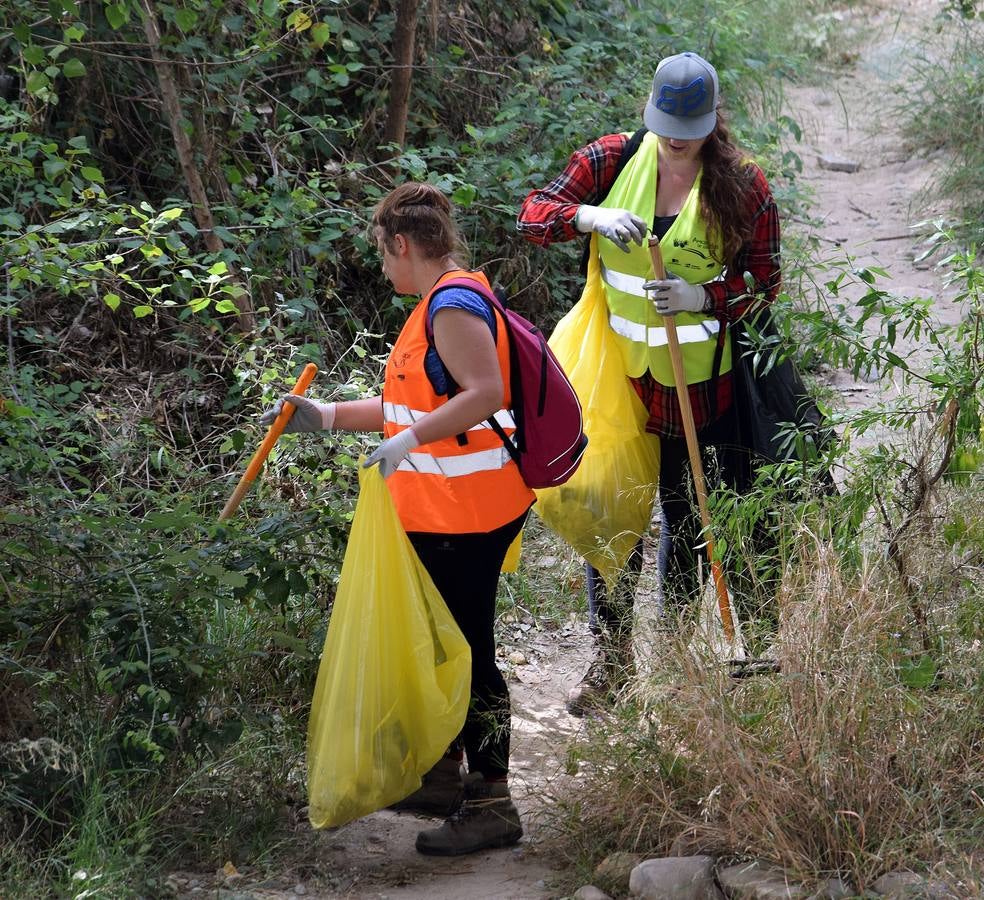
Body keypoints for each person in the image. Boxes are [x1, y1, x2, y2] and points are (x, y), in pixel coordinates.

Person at [260, 182, 535, 855]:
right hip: (442, 509)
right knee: (445, 642)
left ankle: (493, 800)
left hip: (469, 513)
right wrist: (322, 417)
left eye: (383, 255)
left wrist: (407, 443)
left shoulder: (454, 304)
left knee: (471, 653)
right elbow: (402, 406)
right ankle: (442, 777)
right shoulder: (433, 305)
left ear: (404, 245)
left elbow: (486, 394)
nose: (382, 267)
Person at [517, 51, 782, 714]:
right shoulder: (613, 159)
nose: (675, 138)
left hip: (702, 393)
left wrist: (705, 296)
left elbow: (764, 284)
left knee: (688, 523)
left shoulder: (744, 184)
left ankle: (672, 667)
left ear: (714, 119)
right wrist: (587, 218)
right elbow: (531, 214)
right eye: (667, 123)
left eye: (689, 127)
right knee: (612, 519)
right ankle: (613, 663)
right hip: (620, 388)